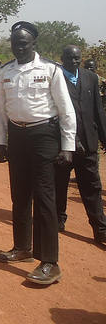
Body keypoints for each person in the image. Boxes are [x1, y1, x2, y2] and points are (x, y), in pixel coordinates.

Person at [0, 21, 75, 285]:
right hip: (17, 135)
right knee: (19, 195)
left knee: (44, 198)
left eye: (23, 43)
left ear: (33, 44)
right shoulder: (5, 71)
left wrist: (68, 146)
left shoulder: (50, 69)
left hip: (44, 136)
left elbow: (66, 109)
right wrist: (0, 141)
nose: (18, 47)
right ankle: (22, 248)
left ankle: (50, 262)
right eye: (15, 43)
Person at [55, 45, 106, 244]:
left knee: (92, 187)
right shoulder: (55, 77)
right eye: (69, 58)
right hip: (63, 145)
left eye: (77, 58)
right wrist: (72, 140)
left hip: (88, 144)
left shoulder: (91, 78)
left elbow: (98, 111)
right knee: (59, 184)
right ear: (62, 58)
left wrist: (103, 138)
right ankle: (58, 219)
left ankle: (100, 229)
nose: (73, 61)